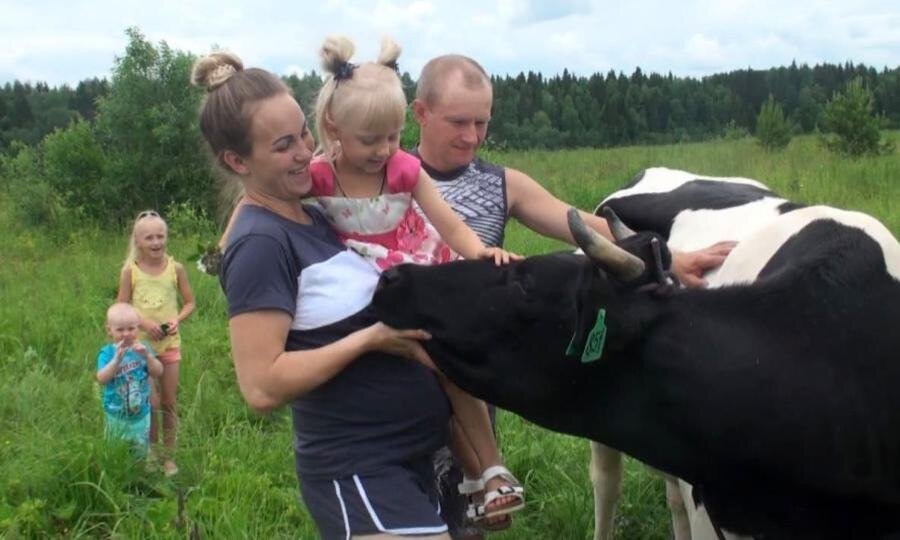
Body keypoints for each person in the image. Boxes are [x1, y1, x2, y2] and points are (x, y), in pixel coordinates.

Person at [410, 54, 735, 539]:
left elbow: (581, 224)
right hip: (394, 369)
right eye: (458, 122)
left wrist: (668, 257)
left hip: (469, 372)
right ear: (420, 113)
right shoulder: (386, 174)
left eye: (482, 122)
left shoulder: (501, 184)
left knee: (466, 513)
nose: (472, 137)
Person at [192, 51, 453, 539]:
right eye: (283, 145)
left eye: (303, 134)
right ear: (237, 161)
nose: (304, 152)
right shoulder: (261, 243)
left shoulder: (314, 217)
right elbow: (261, 385)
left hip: (407, 459)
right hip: (357, 469)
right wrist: (370, 339)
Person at [309, 35, 524, 528]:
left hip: (415, 271)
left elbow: (448, 223)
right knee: (425, 372)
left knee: (448, 363)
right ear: (333, 127)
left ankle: (491, 468)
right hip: (365, 284)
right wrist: (226, 245)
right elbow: (261, 201)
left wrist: (479, 251)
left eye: (393, 135)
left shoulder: (403, 169)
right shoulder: (318, 176)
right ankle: (473, 478)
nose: (384, 149)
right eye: (370, 139)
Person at [117, 210, 195, 476]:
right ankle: (151, 451)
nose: (156, 242)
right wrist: (143, 323)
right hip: (142, 348)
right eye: (149, 238)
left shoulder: (176, 269)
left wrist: (177, 319)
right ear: (138, 241)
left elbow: (190, 303)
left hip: (170, 346)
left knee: (169, 402)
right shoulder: (130, 271)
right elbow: (121, 306)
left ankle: (169, 457)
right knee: (151, 403)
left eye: (160, 236)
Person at [96, 302, 164, 456]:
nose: (126, 334)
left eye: (131, 328)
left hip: (140, 414)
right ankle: (119, 469)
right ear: (109, 330)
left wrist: (147, 356)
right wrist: (116, 361)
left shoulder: (143, 348)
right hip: (115, 414)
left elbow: (158, 371)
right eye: (120, 330)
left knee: (140, 451)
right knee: (115, 453)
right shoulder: (107, 353)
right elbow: (101, 378)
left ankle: (140, 468)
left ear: (138, 328)